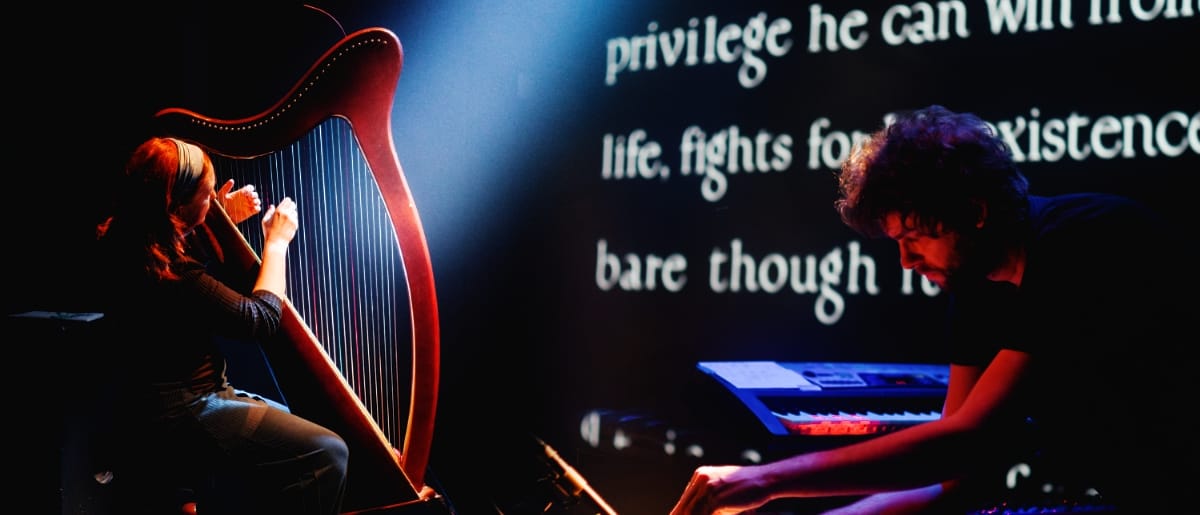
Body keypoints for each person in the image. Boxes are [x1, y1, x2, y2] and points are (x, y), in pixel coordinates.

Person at [670, 105, 1196, 514]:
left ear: (974, 211)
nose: (905, 261)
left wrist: (764, 480)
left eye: (914, 237)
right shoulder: (978, 290)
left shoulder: (1084, 241)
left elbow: (965, 441)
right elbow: (955, 482)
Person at [93, 136, 349, 515]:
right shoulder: (174, 274)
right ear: (176, 206)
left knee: (292, 427)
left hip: (158, 402)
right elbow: (260, 319)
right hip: (186, 411)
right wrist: (276, 243)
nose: (214, 201)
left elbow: (172, 246)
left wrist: (215, 216)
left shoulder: (126, 238)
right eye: (207, 196)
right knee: (326, 453)